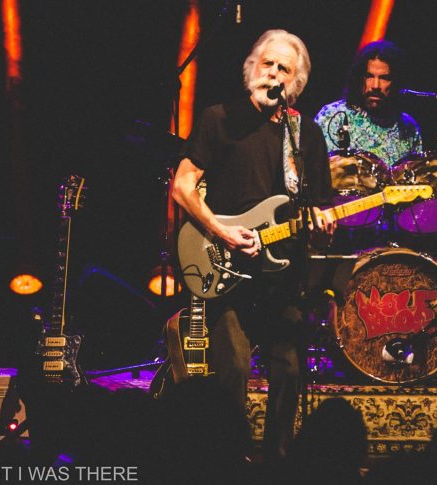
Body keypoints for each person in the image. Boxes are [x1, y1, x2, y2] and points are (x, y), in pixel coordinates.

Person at [172, 29, 335, 461]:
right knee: (233, 370)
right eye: (268, 64)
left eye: (285, 69)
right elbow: (182, 186)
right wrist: (222, 231)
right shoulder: (218, 118)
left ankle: (277, 459)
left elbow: (316, 206)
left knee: (290, 370)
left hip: (282, 277)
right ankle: (229, 460)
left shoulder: (306, 135)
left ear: (296, 84)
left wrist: (321, 224)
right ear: (251, 69)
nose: (274, 74)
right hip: (226, 267)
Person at [314, 40, 422, 167]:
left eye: (384, 78)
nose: (375, 86)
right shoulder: (331, 116)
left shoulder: (408, 127)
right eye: (369, 76)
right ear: (358, 78)